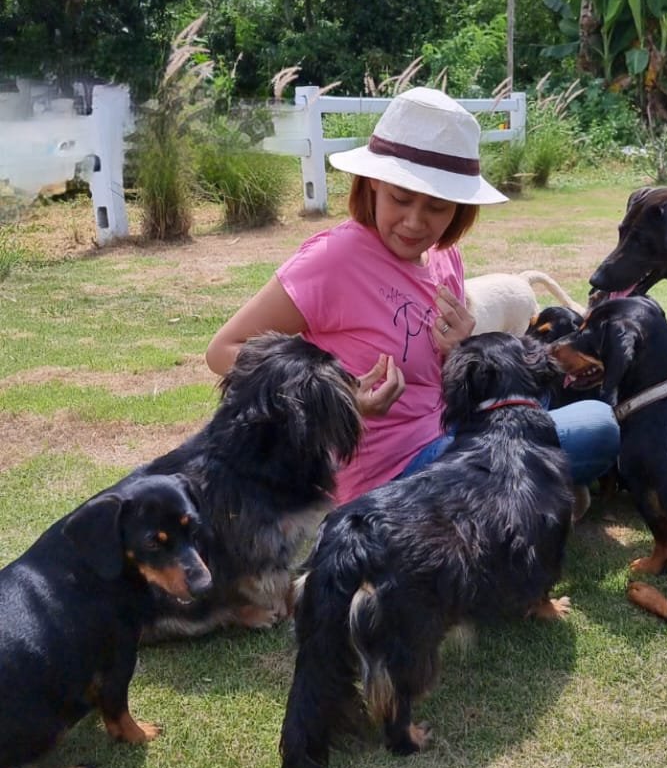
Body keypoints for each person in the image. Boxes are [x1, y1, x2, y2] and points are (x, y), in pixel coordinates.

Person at [206, 86, 619, 507]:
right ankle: (528, 493)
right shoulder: (334, 260)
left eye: (437, 208)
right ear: (371, 188)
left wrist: (462, 348)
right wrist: (341, 398)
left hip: (455, 433)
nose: (414, 222)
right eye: (400, 199)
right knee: (593, 428)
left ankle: (517, 494)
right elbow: (223, 350)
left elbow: (443, 383)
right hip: (389, 473)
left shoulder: (445, 257)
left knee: (579, 409)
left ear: (459, 209)